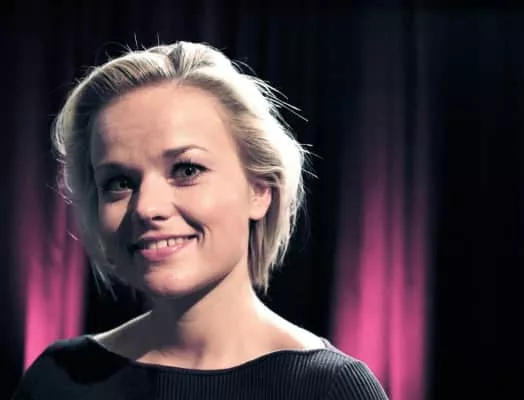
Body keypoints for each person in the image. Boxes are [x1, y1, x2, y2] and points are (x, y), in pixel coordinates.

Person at [12, 41, 389, 399]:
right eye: (120, 182)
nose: (146, 208)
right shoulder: (58, 379)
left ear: (260, 190)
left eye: (186, 169)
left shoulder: (330, 389)